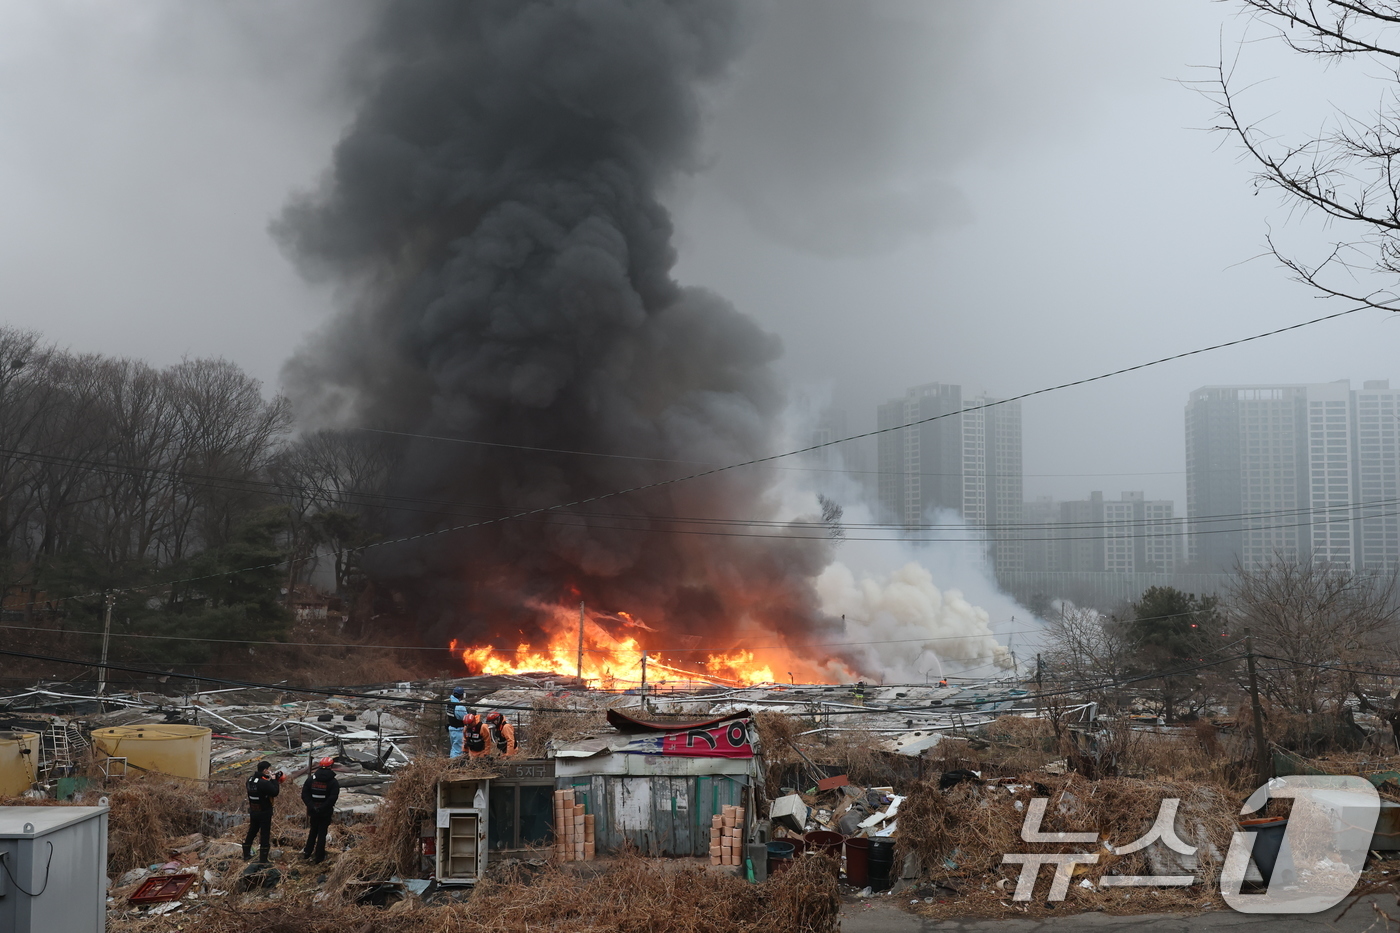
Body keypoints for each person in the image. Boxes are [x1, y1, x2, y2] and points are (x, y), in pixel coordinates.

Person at [300, 756, 340, 864]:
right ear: (331, 766)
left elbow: (305, 794)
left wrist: (312, 806)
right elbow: (332, 798)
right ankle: (319, 856)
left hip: (313, 811)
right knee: (322, 833)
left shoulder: (311, 779)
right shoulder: (333, 782)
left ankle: (307, 852)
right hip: (325, 812)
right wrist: (322, 808)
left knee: (313, 831)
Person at [242, 760, 283, 862]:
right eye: (269, 769)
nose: (270, 771)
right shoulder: (263, 783)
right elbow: (275, 792)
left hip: (254, 810)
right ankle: (263, 859)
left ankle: (246, 854)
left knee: (252, 831)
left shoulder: (250, 780)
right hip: (264, 811)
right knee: (264, 834)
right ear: (265, 770)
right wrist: (274, 780)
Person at [447, 686, 467, 757]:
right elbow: (465, 718)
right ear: (461, 695)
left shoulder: (449, 704)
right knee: (459, 750)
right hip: (459, 730)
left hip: (452, 729)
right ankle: (455, 762)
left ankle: (451, 760)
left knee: (454, 748)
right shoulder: (459, 707)